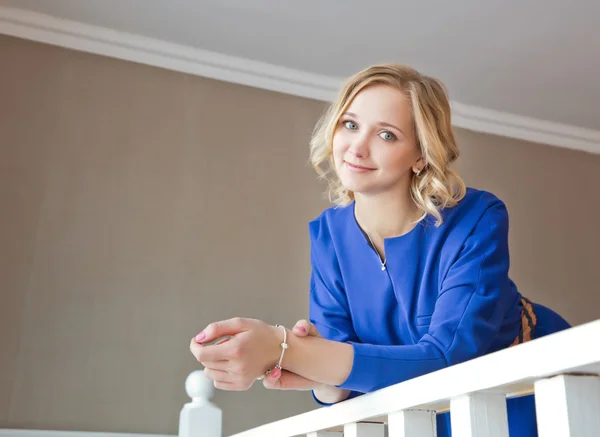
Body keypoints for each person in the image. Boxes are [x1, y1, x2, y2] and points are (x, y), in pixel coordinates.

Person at [189, 64, 570, 436]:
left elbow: (447, 356)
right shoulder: (329, 235)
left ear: (420, 156)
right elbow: (339, 383)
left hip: (535, 385)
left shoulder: (477, 216)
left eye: (386, 135)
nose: (357, 146)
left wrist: (285, 348)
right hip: (424, 406)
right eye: (350, 124)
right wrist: (308, 370)